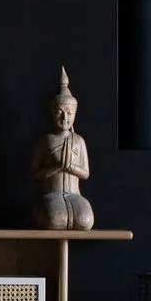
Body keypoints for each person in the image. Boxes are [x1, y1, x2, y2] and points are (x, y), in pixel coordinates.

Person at [30, 68, 95, 231]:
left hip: (75, 195)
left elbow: (86, 173)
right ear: (53, 113)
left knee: (84, 220)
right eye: (60, 112)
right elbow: (35, 173)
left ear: (74, 115)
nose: (64, 118)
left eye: (69, 113)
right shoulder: (46, 140)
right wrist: (56, 167)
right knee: (56, 219)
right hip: (52, 194)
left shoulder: (78, 140)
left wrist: (70, 167)